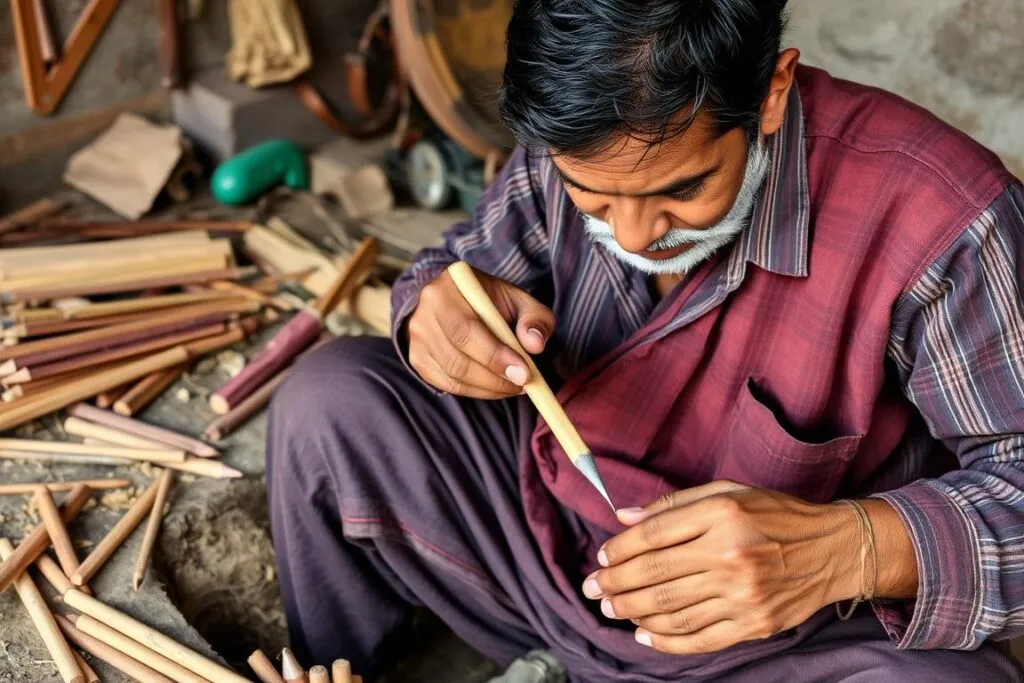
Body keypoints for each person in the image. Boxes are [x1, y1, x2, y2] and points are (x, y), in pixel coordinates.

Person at [266, 1, 1024, 680]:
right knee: (332, 401)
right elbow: (457, 271)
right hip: (549, 559)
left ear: (772, 92)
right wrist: (437, 315)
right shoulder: (573, 141)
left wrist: (843, 548)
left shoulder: (943, 219)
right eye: (594, 198)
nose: (632, 236)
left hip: (785, 632)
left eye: (682, 190)